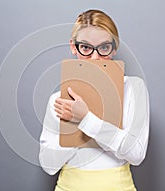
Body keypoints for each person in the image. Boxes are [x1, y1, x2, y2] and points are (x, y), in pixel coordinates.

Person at [39, 9, 149, 191]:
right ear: (74, 47)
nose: (95, 57)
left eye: (104, 47)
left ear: (114, 48)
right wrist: (72, 121)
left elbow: (136, 154)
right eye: (86, 48)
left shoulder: (133, 88)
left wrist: (86, 119)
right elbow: (49, 166)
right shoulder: (58, 100)